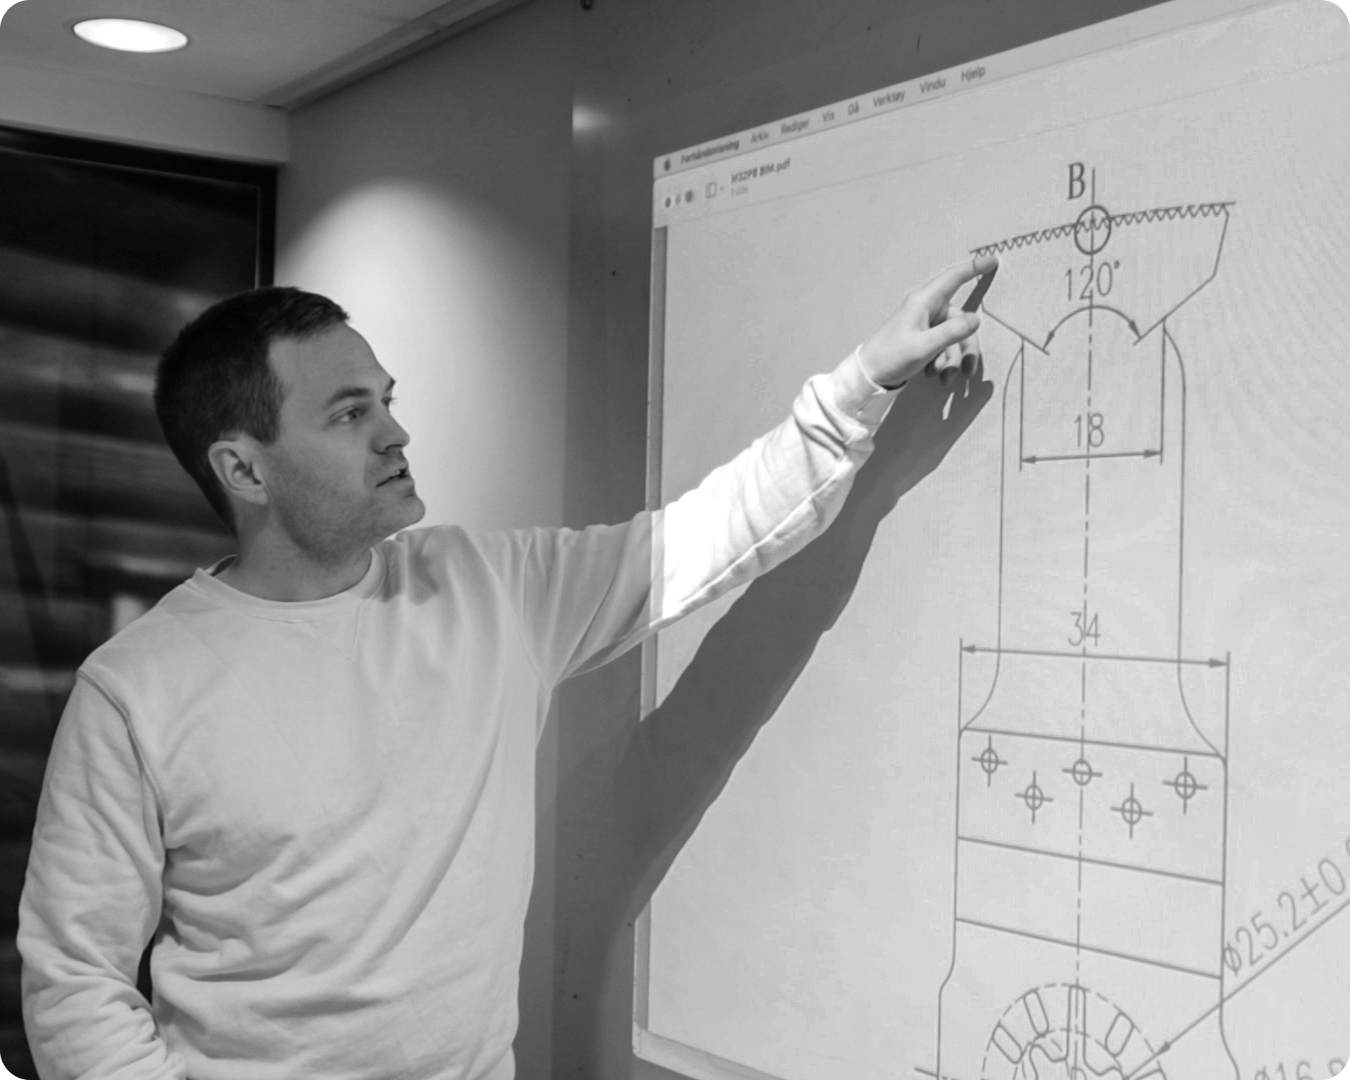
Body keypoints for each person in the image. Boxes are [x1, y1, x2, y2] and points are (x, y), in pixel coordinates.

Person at [17, 252, 996, 1080]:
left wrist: (864, 381)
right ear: (244, 469)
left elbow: (712, 534)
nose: (395, 433)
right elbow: (72, 984)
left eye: (387, 401)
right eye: (349, 414)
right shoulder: (135, 689)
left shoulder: (489, 589)